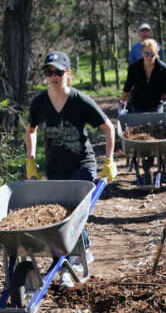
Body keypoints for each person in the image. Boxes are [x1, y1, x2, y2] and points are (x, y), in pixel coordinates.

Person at [25, 51, 117, 286]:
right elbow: (31, 130)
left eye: (58, 72)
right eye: (48, 72)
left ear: (67, 73)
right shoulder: (40, 102)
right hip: (55, 168)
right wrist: (31, 160)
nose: (53, 77)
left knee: (73, 212)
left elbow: (109, 128)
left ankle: (77, 257)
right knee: (58, 215)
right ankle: (71, 254)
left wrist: (109, 161)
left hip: (81, 165)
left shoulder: (80, 101)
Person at [120, 38, 166, 114]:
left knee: (155, 125)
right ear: (142, 53)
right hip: (138, 105)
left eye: (152, 54)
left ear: (156, 53)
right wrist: (123, 103)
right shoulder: (134, 68)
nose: (149, 57)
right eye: (146, 54)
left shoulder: (162, 68)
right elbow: (127, 87)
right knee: (137, 125)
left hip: (155, 104)